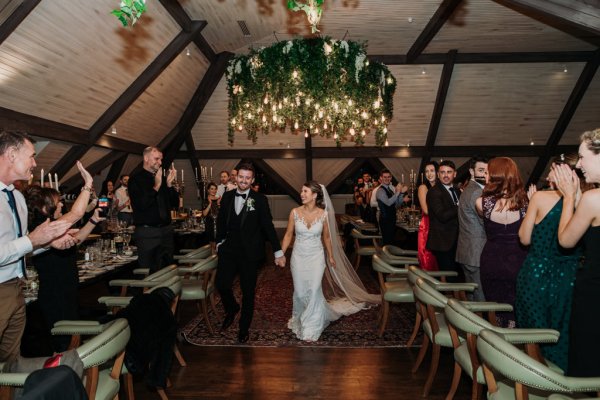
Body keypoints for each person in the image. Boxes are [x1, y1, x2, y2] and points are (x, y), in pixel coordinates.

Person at [0, 130, 76, 362]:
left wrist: (48, 243)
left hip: (16, 290)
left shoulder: (18, 198)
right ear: (12, 154)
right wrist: (33, 240)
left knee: (10, 364)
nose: (35, 162)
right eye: (31, 156)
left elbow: (21, 247)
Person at [281, 181, 380, 341]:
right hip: (298, 257)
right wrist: (281, 253)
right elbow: (287, 235)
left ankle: (311, 325)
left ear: (314, 195)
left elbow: (326, 237)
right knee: (299, 293)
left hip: (316, 257)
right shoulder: (294, 212)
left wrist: (331, 256)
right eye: (302, 191)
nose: (301, 194)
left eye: (305, 191)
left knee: (313, 290)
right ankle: (300, 318)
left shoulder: (324, 214)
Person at [25, 162, 104, 352]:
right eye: (57, 201)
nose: (61, 203)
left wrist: (93, 220)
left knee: (70, 339)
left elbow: (76, 240)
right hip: (54, 293)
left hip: (67, 288)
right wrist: (87, 183)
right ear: (45, 208)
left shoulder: (54, 225)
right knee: (62, 341)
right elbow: (76, 213)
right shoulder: (42, 228)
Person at [516, 154, 582, 371]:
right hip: (570, 277)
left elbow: (524, 238)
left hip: (537, 273)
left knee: (534, 335)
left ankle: (534, 380)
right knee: (564, 332)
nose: (549, 173)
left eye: (553, 168)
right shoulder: (589, 198)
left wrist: (531, 208)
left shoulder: (540, 198)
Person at [215, 163, 285, 343]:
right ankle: (232, 308)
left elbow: (268, 226)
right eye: (241, 177)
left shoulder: (260, 199)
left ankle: (243, 328)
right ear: (236, 177)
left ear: (252, 180)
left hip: (249, 253)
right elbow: (221, 221)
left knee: (248, 292)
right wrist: (219, 242)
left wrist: (278, 251)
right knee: (222, 284)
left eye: (248, 178)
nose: (244, 180)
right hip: (228, 249)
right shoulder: (228, 196)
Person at [553, 128, 600, 377]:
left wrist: (569, 197)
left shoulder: (594, 199)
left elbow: (566, 241)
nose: (579, 165)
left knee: (590, 363)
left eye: (582, 157)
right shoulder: (591, 196)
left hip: (594, 295)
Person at [476, 157, 528, 327]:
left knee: (495, 306)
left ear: (496, 176)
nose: (485, 176)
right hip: (518, 260)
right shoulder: (527, 203)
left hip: (492, 260)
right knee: (517, 304)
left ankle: (497, 341)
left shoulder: (481, 203)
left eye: (487, 173)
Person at [128, 146, 179, 273]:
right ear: (146, 158)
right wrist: (156, 186)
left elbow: (175, 204)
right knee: (147, 273)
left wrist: (168, 185)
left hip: (166, 231)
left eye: (161, 159)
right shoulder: (135, 179)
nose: (160, 162)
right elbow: (142, 205)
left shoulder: (161, 178)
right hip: (147, 234)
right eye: (156, 159)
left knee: (168, 271)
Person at [455, 156, 489, 300]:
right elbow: (486, 223)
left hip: (467, 251)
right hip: (476, 252)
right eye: (481, 170)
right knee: (480, 298)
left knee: (472, 298)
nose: (485, 174)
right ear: (471, 171)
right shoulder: (477, 192)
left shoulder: (468, 188)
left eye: (487, 171)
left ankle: (469, 322)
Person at [426, 160, 461, 276]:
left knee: (456, 276)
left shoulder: (456, 190)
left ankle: (455, 294)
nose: (446, 175)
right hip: (442, 242)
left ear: (454, 174)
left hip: (456, 241)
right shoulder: (433, 192)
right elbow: (442, 215)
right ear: (438, 175)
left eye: (449, 172)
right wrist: (460, 206)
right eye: (442, 172)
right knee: (449, 277)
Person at [417, 161, 439, 271]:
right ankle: (426, 286)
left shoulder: (441, 187)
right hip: (427, 226)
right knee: (427, 258)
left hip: (439, 226)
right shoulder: (423, 187)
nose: (429, 174)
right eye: (426, 171)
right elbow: (426, 210)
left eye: (432, 171)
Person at [376, 169, 407, 245]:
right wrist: (398, 192)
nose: (387, 179)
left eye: (388, 177)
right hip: (385, 221)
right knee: (387, 243)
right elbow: (388, 203)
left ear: (391, 178)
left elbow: (397, 204)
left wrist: (401, 193)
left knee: (391, 242)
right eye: (384, 177)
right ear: (381, 178)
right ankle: (386, 256)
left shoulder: (390, 190)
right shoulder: (380, 191)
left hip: (392, 220)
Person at [202, 182, 219, 254]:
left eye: (215, 189)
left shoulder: (219, 200)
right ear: (208, 190)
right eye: (211, 189)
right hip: (210, 226)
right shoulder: (205, 200)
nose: (213, 191)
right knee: (212, 246)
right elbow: (204, 213)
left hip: (218, 225)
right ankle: (213, 263)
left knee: (218, 246)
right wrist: (210, 204)